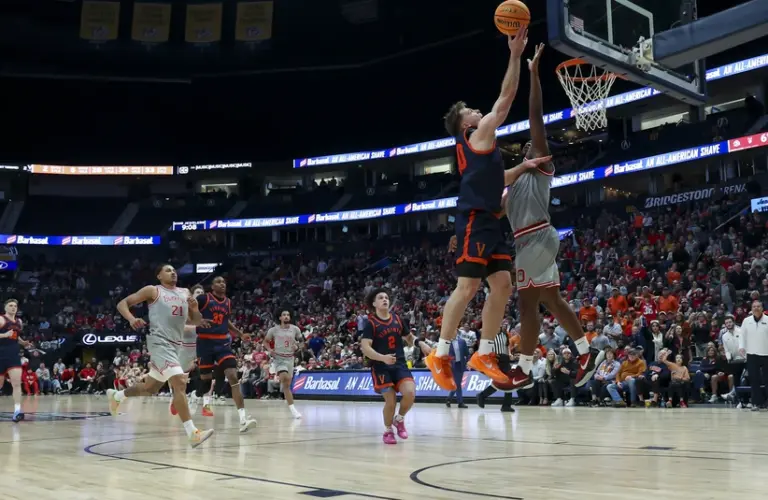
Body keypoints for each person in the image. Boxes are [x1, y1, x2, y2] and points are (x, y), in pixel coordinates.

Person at [427, 28, 551, 390]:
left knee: (501, 284)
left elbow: (496, 179)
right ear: (467, 124)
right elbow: (506, 98)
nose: (479, 112)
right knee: (467, 287)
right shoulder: (476, 134)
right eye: (473, 111)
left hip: (491, 221)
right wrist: (515, 55)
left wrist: (524, 167)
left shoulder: (480, 151)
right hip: (474, 220)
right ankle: (440, 351)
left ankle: (484, 352)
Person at [499, 43, 602, 391]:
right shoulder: (511, 185)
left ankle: (525, 369)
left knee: (527, 303)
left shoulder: (541, 166)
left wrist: (532, 75)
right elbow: (491, 207)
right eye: (526, 147)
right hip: (530, 240)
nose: (529, 146)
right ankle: (587, 352)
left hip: (537, 236)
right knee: (549, 299)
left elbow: (535, 118)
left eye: (533, 145)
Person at [108, 264, 214, 449]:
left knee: (150, 388)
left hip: (175, 346)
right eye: (168, 270)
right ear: (158, 275)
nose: (173, 272)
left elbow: (195, 321)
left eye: (174, 270)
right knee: (180, 382)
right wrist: (132, 319)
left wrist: (195, 308)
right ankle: (192, 433)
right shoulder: (153, 291)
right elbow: (122, 304)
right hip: (159, 342)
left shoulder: (184, 293)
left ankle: (118, 395)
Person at [361, 288, 431, 444]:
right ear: (374, 303)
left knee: (410, 393)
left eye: (386, 297)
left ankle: (399, 419)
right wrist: (382, 358)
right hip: (380, 366)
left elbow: (409, 337)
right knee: (391, 401)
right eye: (380, 298)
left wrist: (421, 344)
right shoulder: (371, 323)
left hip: (399, 364)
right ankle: (387, 431)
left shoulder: (397, 319)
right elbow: (365, 347)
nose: (385, 299)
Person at [194, 276, 256, 432]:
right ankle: (195, 395)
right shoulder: (203, 298)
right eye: (218, 282)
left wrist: (240, 334)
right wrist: (198, 320)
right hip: (205, 343)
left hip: (222, 344)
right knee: (206, 382)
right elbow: (190, 313)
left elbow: (226, 321)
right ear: (212, 286)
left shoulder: (227, 302)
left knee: (233, 376)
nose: (222, 284)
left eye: (224, 282)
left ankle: (243, 419)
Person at [264, 309, 305, 419]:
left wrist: (298, 347)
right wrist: (270, 350)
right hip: (279, 358)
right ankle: (293, 410)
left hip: (290, 359)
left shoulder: (295, 329)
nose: (286, 316)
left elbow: (302, 342)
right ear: (280, 318)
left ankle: (292, 409)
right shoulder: (273, 330)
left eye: (288, 315)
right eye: (284, 315)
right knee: (285, 378)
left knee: (287, 386)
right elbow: (266, 341)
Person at [0, 299, 32, 422]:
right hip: (1, 354)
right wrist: (4, 335)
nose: (13, 307)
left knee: (17, 383)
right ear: (5, 307)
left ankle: (17, 411)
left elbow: (15, 336)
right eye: (11, 305)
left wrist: (23, 342)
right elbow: (7, 334)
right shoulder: (1, 319)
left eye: (15, 306)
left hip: (13, 355)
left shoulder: (19, 321)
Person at [739, 300, 768, 411]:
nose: (756, 308)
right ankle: (756, 403)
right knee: (754, 379)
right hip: (751, 353)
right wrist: (741, 347)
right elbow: (742, 335)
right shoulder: (746, 321)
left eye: (758, 306)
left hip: (766, 353)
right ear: (751, 308)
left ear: (762, 308)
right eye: (754, 306)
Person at [446, 335, 469, 408]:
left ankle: (449, 399)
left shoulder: (462, 341)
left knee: (457, 383)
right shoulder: (447, 342)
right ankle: (460, 402)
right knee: (458, 384)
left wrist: (467, 362)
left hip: (460, 365)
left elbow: (467, 353)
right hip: (451, 366)